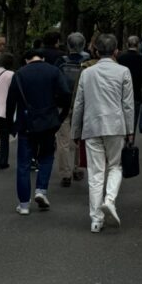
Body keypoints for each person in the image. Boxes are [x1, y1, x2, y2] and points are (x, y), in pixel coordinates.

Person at [71, 33, 134, 232]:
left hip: (92, 126)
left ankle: (96, 220)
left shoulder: (87, 73)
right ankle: (110, 200)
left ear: (96, 51)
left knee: (95, 173)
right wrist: (130, 130)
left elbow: (79, 104)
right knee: (115, 166)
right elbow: (128, 105)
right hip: (116, 125)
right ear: (116, 51)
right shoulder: (123, 72)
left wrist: (75, 131)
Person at [5, 49, 71, 215]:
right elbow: (66, 94)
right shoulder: (54, 71)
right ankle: (41, 190)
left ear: (26, 60)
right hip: (48, 122)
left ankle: (24, 204)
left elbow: (11, 101)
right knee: (47, 157)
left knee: (23, 164)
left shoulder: (19, 74)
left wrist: (10, 125)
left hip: (26, 123)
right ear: (42, 58)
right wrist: (60, 116)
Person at [56, 33, 87, 187]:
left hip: (63, 103)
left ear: (68, 45)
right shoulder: (87, 62)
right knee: (80, 137)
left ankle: (65, 174)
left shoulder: (60, 62)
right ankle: (78, 167)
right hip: (82, 104)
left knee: (63, 140)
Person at [118, 35, 142, 130]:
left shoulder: (121, 58)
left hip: (122, 92)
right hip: (136, 93)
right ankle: (131, 137)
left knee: (122, 119)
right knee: (133, 120)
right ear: (138, 45)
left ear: (127, 44)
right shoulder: (141, 59)